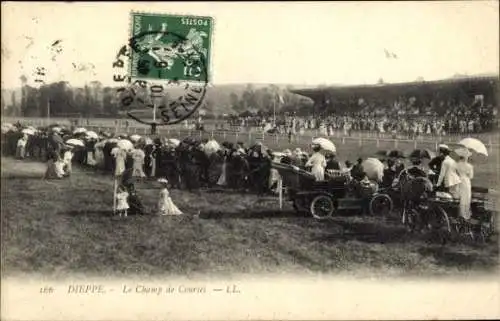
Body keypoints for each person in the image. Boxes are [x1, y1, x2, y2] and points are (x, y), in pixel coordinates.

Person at [455, 148, 474, 220]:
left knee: (461, 197)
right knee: (466, 197)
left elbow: (455, 173)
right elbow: (471, 177)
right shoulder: (469, 166)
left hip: (459, 181)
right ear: (467, 157)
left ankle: (461, 213)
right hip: (466, 181)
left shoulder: (457, 164)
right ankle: (465, 213)